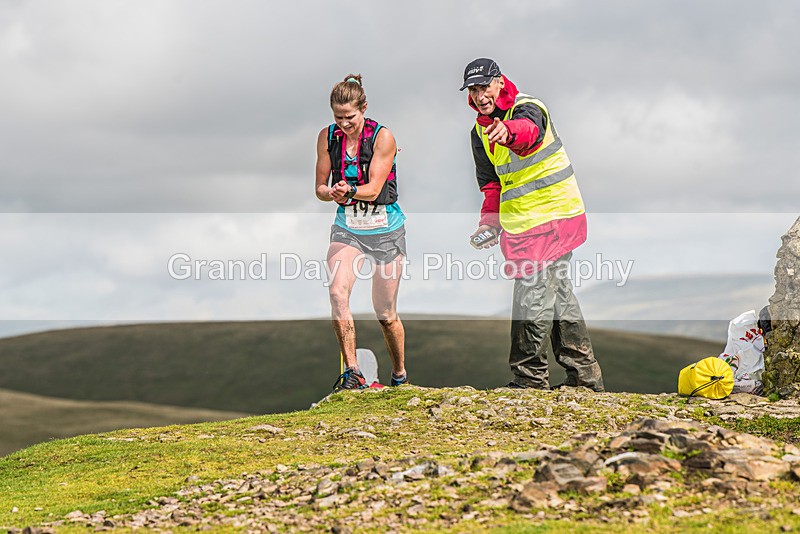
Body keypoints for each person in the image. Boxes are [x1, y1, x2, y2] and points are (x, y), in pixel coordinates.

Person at [459, 58, 604, 391]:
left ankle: (529, 379)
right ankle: (584, 377)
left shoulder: (528, 108)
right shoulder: (479, 132)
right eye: (474, 90)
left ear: (499, 82)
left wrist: (507, 132)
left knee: (531, 296)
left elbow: (529, 134)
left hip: (554, 216)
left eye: (485, 87)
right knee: (558, 296)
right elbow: (492, 184)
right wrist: (490, 224)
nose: (480, 96)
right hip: (524, 225)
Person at [315, 74, 408, 392]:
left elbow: (373, 189)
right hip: (348, 229)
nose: (344, 124)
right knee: (337, 294)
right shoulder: (328, 138)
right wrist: (332, 193)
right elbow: (319, 188)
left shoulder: (383, 138)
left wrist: (350, 190)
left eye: (350, 117)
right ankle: (352, 372)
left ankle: (399, 374)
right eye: (338, 117)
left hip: (386, 231)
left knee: (385, 313)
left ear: (364, 109)